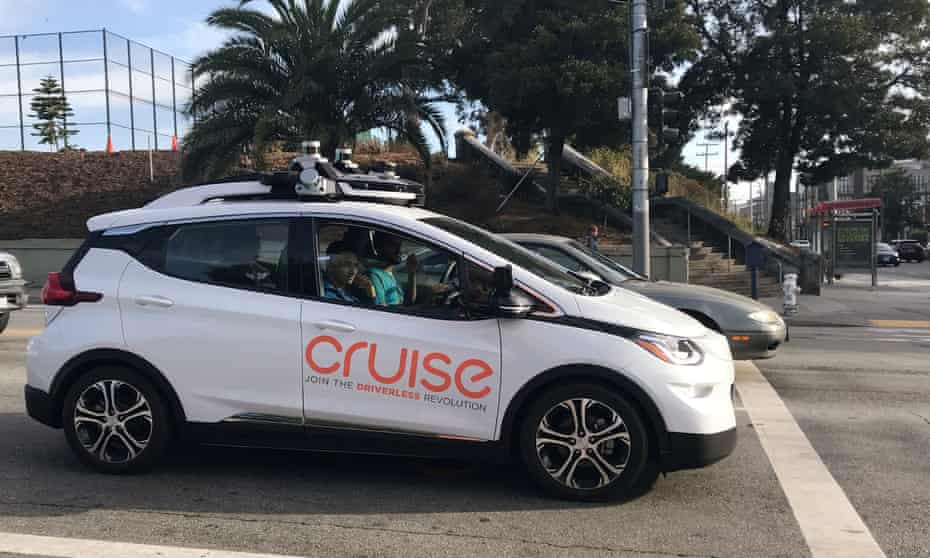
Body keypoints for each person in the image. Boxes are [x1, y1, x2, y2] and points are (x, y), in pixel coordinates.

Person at [366, 232, 415, 306]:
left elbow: (407, 302)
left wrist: (412, 272)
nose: (399, 250)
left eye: (400, 245)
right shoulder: (374, 275)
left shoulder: (391, 273)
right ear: (380, 246)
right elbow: (382, 310)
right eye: (393, 245)